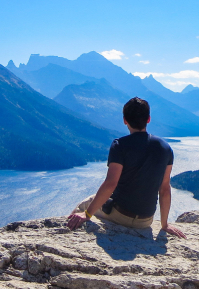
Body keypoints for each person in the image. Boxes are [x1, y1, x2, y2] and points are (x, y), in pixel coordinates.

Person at [67, 97, 186, 238]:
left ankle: (68, 233)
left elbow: (111, 183)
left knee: (85, 205)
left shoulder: (120, 145)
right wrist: (164, 225)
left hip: (120, 215)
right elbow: (165, 188)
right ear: (148, 119)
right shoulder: (165, 148)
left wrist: (87, 214)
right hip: (146, 221)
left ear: (125, 120)